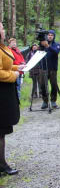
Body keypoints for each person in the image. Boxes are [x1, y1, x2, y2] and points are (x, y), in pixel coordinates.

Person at [0, 22, 23, 175]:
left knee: (1, 132)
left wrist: (17, 68)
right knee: (0, 131)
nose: (3, 30)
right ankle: (2, 165)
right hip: (1, 93)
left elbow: (5, 65)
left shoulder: (2, 47)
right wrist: (13, 75)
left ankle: (2, 163)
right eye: (1, 28)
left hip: (5, 92)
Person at [39, 29, 60, 109]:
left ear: (54, 36)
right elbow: (37, 53)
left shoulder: (57, 45)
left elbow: (56, 52)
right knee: (42, 85)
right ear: (46, 36)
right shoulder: (42, 45)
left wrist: (48, 46)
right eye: (48, 35)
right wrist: (40, 46)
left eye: (51, 35)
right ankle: (45, 101)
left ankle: (53, 101)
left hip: (53, 68)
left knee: (54, 85)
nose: (50, 36)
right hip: (43, 68)